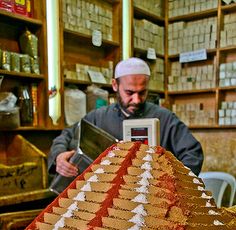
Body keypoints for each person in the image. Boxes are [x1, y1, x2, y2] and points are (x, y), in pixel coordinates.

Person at [48, 57, 203, 181]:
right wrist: (59, 157)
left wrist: (174, 182)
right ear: (115, 85)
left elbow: (193, 153)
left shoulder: (165, 118)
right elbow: (66, 136)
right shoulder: (98, 117)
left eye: (142, 93)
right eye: (129, 92)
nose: (136, 99)